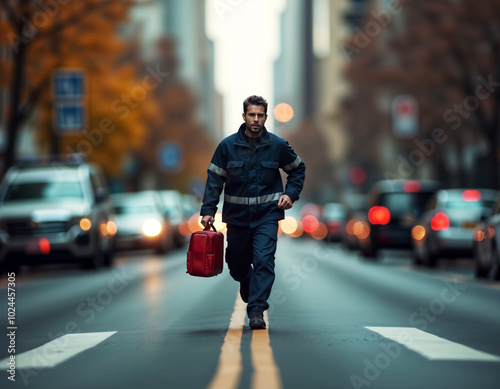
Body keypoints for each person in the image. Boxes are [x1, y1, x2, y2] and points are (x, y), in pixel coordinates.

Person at [200, 95, 305, 329]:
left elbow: (298, 169)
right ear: (244, 116)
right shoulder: (227, 147)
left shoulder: (277, 146)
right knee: (236, 265)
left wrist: (290, 194)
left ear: (266, 117)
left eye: (260, 115)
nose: (256, 119)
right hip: (237, 219)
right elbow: (214, 179)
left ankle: (257, 309)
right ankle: (246, 280)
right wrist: (208, 210)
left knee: (263, 260)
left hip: (267, 216)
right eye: (251, 115)